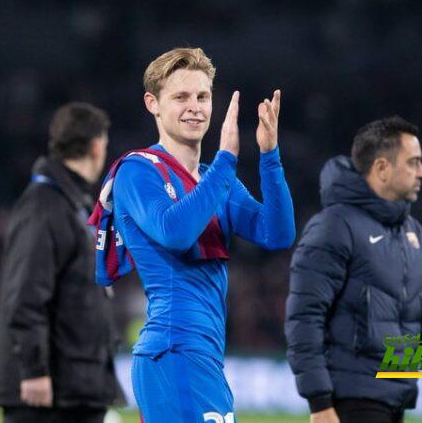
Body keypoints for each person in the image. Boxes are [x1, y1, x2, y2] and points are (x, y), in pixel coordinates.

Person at [90, 47, 295, 422]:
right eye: (181, 97)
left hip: (201, 356)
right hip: (172, 352)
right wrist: (226, 160)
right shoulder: (138, 171)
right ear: (152, 103)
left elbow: (277, 233)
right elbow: (175, 231)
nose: (195, 107)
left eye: (202, 96)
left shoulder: (215, 179)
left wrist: (270, 156)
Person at [285, 116, 422, 423]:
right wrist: (319, 403)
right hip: (350, 400)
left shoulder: (412, 233)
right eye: (414, 163)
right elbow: (305, 317)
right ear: (381, 168)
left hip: (395, 396)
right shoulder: (334, 226)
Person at [0, 102, 124, 423]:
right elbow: (24, 295)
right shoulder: (45, 205)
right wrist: (34, 369)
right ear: (95, 147)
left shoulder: (71, 204)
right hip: (50, 394)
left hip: (74, 388)